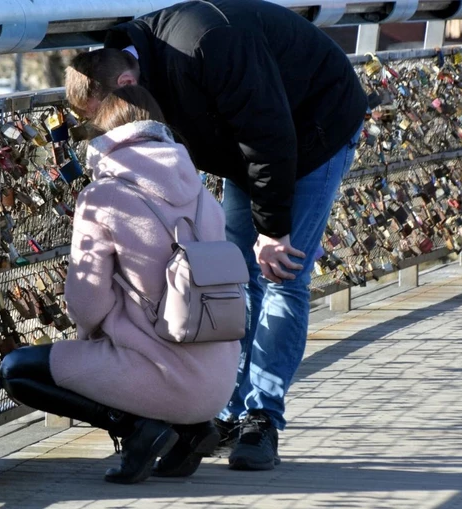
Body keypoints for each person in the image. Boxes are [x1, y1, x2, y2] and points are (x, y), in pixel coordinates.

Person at [64, 0, 366, 471]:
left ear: (125, 85)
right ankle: (223, 410)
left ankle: (261, 418)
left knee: (283, 274)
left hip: (312, 131)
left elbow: (270, 135)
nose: (98, 131)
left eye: (96, 118)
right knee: (232, 274)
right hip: (249, 146)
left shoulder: (208, 45)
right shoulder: (128, 61)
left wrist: (273, 230)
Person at [0, 85, 240, 484]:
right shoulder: (202, 196)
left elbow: (87, 303)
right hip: (218, 381)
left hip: (162, 376)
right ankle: (191, 431)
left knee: (17, 369)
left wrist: (91, 339)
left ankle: (137, 430)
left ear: (104, 137)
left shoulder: (103, 197)